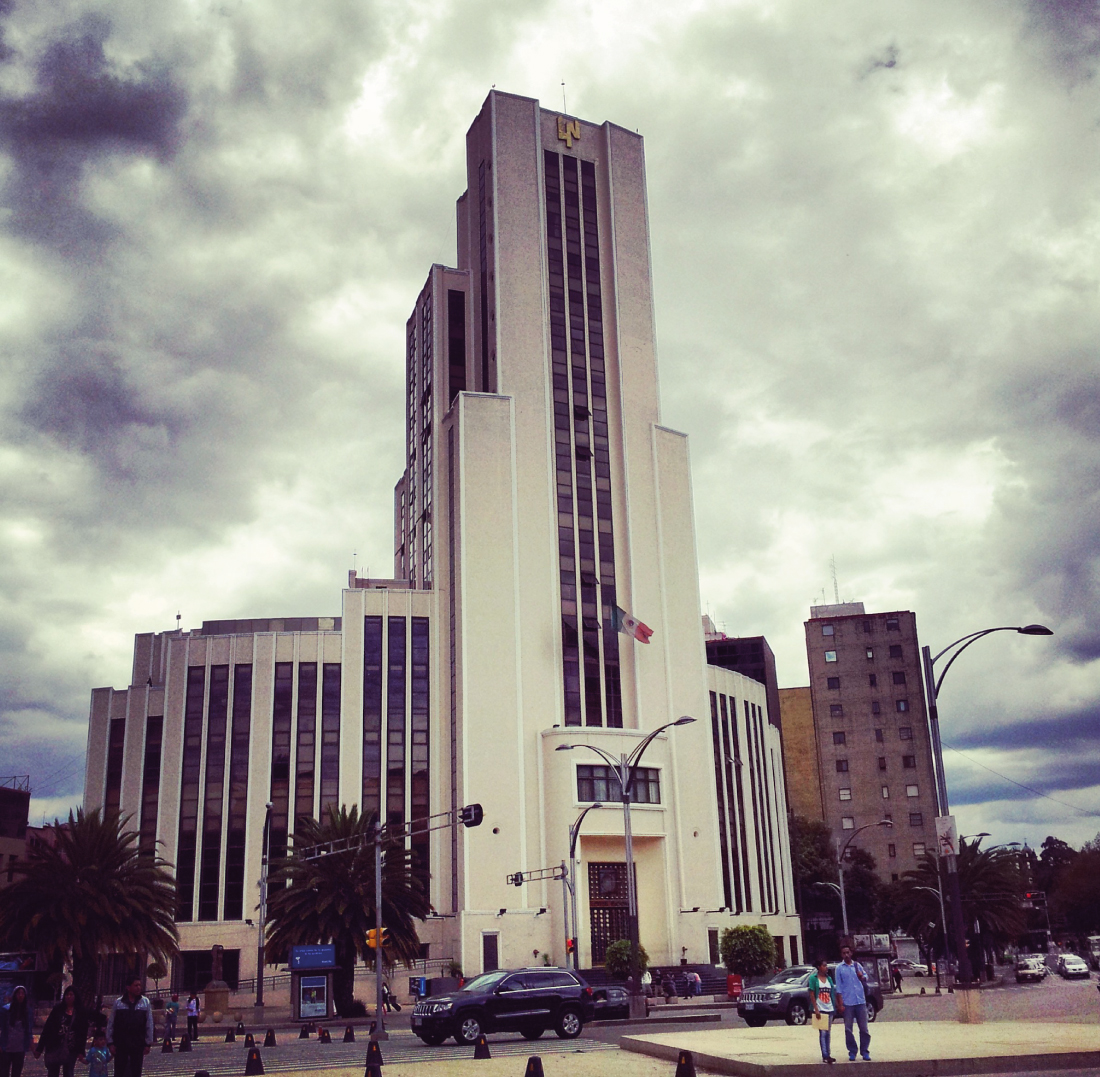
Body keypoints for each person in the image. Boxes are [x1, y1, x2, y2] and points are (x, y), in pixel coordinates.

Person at [35, 987, 89, 1077]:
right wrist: (40, 1048)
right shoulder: (58, 1010)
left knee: (68, 1072)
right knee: (53, 1072)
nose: (68, 997)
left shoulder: (80, 1012)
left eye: (71, 994)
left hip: (71, 1048)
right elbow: (47, 1029)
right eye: (67, 994)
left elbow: (83, 1033)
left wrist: (81, 1051)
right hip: (55, 1046)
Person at [107, 978, 154, 1077]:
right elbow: (111, 1023)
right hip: (121, 1044)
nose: (138, 988)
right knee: (120, 1071)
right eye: (135, 985)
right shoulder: (118, 1003)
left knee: (136, 1071)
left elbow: (149, 1023)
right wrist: (110, 1042)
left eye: (139, 985)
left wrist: (148, 1043)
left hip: (138, 1044)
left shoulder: (145, 1002)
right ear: (128, 987)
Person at [834, 946, 871, 1062]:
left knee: (864, 1029)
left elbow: (866, 976)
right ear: (841, 954)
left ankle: (865, 1051)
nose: (846, 955)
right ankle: (852, 1051)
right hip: (848, 1002)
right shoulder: (839, 968)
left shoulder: (857, 965)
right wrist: (840, 1004)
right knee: (848, 1029)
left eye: (848, 952)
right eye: (844, 953)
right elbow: (838, 987)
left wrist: (862, 976)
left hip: (860, 1001)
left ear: (851, 953)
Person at [809, 959, 840, 1064]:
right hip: (820, 1009)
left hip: (829, 1008)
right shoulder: (813, 979)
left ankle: (828, 1053)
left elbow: (832, 993)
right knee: (823, 1032)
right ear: (819, 967)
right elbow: (812, 994)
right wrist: (816, 1009)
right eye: (824, 965)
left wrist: (835, 1006)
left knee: (828, 1032)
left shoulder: (829, 979)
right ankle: (825, 1055)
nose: (826, 967)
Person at [0, 986, 33, 1077]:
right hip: (6, 1047)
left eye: (22, 993)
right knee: (3, 1071)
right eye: (18, 993)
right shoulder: (6, 1010)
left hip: (20, 1048)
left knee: (16, 1072)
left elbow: (28, 1028)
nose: (20, 996)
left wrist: (30, 1042)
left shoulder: (27, 1011)